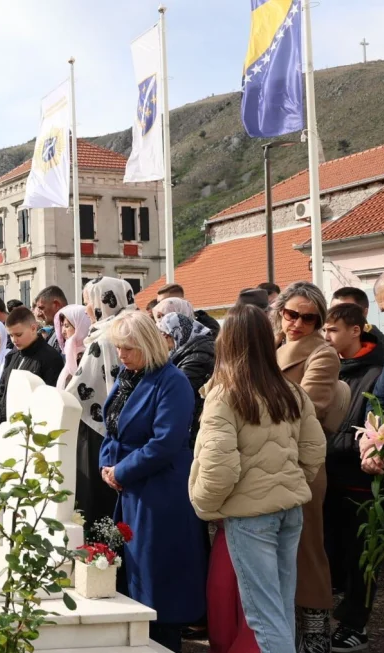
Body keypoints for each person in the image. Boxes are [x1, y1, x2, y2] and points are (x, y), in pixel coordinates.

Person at [190, 304, 326, 653]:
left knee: (265, 619)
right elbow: (313, 449)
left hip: (250, 517)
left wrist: (206, 506)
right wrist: (289, 483)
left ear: (227, 342)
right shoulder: (289, 390)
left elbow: (218, 467)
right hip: (288, 510)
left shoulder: (225, 393)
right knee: (279, 610)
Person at [98, 311, 206, 652]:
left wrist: (121, 471)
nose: (122, 355)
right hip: (129, 488)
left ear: (147, 344)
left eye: (128, 348)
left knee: (159, 581)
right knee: (136, 576)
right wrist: (106, 465)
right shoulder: (128, 376)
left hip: (159, 492)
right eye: (118, 348)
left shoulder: (172, 382)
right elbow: (112, 425)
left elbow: (165, 442)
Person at [275, 281, 346, 652]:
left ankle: (316, 635)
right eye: (291, 314)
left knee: (307, 548)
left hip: (301, 462)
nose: (297, 323)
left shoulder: (323, 353)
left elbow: (309, 406)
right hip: (265, 464)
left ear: (318, 320)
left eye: (308, 317)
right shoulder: (271, 346)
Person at [322, 302, 384, 652]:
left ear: (355, 330)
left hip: (358, 479)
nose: (326, 336)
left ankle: (355, 625)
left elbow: (370, 422)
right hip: (328, 476)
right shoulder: (332, 365)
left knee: (359, 554)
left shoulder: (376, 371)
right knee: (331, 552)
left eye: (332, 330)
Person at [66, 276, 137, 523]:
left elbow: (77, 390)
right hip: (126, 428)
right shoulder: (132, 327)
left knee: (97, 503)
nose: (86, 309)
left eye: (88, 302)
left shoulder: (106, 338)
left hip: (99, 432)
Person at [0, 307, 64, 436]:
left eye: (18, 335)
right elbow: (2, 391)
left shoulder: (50, 358)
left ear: (33, 328)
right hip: (6, 428)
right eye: (11, 335)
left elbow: (50, 401)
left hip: (32, 433)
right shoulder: (11, 355)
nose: (14, 340)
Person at [156, 312, 215, 443]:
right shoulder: (191, 350)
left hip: (197, 430)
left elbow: (176, 394)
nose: (162, 343)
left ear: (176, 333)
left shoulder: (197, 356)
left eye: (164, 336)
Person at [332, 285, 384, 351]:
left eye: (346, 312)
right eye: (333, 312)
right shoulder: (324, 346)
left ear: (364, 313)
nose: (337, 317)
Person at [53, 304, 90, 391]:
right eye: (62, 326)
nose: (63, 332)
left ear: (80, 325)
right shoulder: (72, 353)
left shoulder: (90, 355)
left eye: (66, 326)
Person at [33, 285, 68, 351]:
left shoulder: (71, 334)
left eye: (42, 308)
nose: (39, 314)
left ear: (56, 305)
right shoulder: (53, 332)